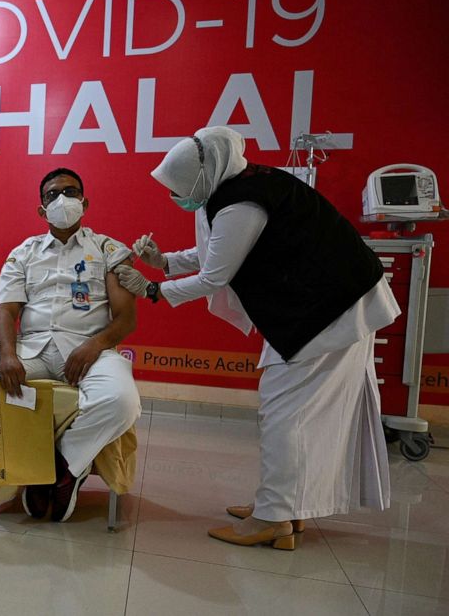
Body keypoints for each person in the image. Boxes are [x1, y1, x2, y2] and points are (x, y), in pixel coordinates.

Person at [117, 126, 398, 550]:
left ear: (204, 173)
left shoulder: (241, 202)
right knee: (293, 411)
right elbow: (222, 250)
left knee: (284, 411)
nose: (176, 197)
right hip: (326, 304)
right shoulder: (242, 185)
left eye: (179, 188)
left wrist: (154, 290)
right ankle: (284, 506)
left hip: (328, 310)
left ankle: (272, 518)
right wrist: (165, 262)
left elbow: (216, 274)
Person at [0, 167, 141, 523]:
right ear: (42, 210)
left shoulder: (109, 250)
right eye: (52, 195)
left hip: (92, 350)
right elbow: (7, 310)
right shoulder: (23, 253)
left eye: (70, 192)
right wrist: (7, 355)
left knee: (122, 402)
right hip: (32, 349)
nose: (62, 200)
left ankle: (64, 464)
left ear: (85, 202)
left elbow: (125, 319)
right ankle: (38, 461)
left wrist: (95, 345)